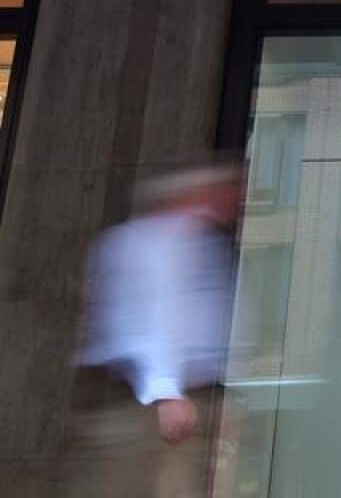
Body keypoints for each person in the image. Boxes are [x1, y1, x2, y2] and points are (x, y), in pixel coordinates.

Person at [61, 164, 242, 498]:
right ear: (190, 196)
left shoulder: (199, 245)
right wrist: (167, 392)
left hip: (178, 404)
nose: (231, 202)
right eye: (221, 193)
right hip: (147, 407)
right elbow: (153, 318)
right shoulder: (156, 242)